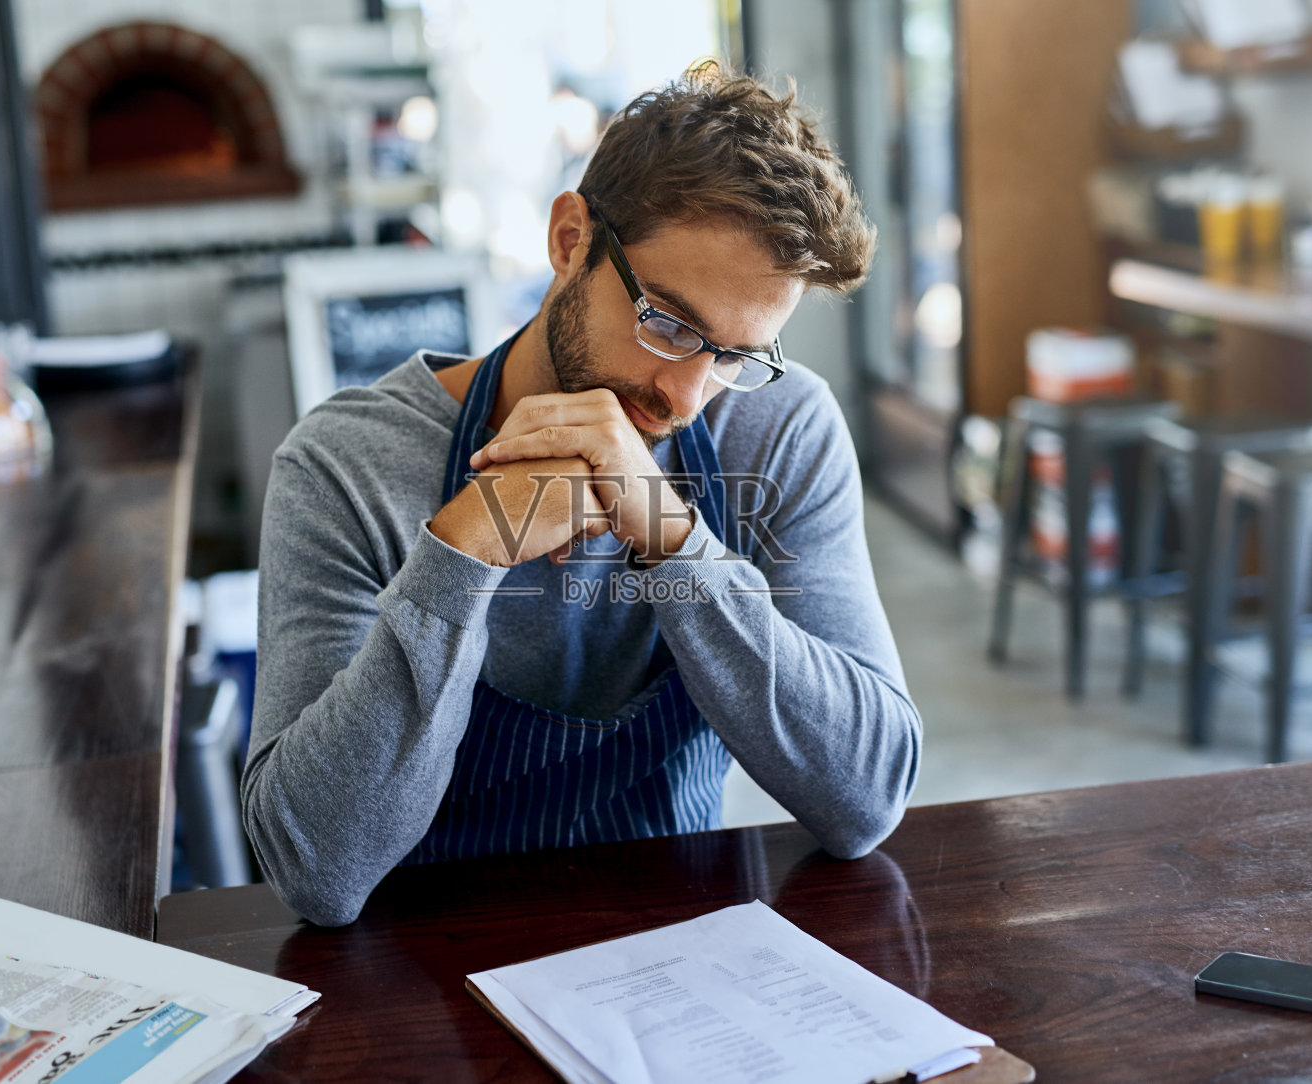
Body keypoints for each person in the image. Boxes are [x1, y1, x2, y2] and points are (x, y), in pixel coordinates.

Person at [243, 62, 922, 927]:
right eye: (669, 325)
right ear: (570, 240)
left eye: (732, 356)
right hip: (415, 984)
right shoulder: (346, 464)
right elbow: (316, 872)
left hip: (678, 962)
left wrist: (672, 537)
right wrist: (466, 550)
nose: (684, 396)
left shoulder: (779, 430)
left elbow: (866, 799)